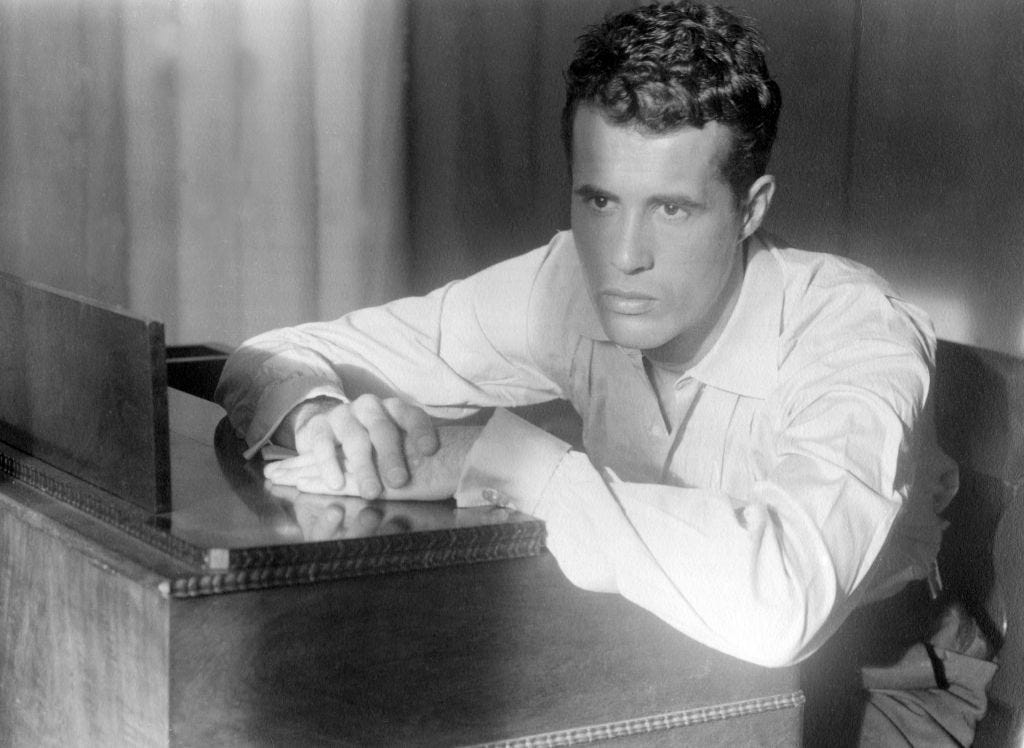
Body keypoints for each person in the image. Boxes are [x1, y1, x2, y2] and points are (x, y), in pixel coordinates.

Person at [216, 3, 982, 743]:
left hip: (879, 689)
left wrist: (499, 462)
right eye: (600, 200)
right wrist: (328, 426)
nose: (623, 255)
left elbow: (781, 604)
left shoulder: (855, 331)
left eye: (672, 210)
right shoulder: (568, 284)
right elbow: (270, 356)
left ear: (750, 209)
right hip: (654, 666)